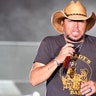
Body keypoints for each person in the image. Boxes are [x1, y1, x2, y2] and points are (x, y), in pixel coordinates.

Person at [30, 0, 96, 96]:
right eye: (71, 21)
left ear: (86, 24)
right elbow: (34, 80)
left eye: (80, 21)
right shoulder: (49, 43)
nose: (76, 26)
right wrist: (57, 60)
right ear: (62, 23)